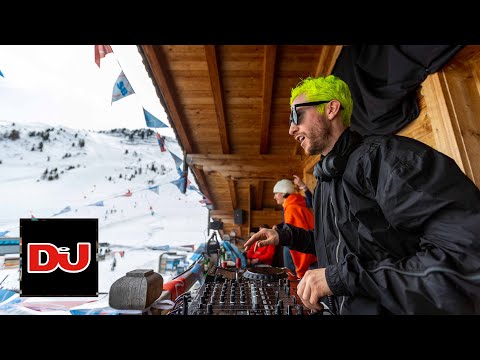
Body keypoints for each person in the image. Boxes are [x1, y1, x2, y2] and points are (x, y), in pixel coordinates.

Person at [245, 75, 480, 314]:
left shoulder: (387, 160)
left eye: (296, 115)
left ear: (332, 109)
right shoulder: (326, 180)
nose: (291, 128)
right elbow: (334, 244)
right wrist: (283, 236)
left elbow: (464, 260)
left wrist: (341, 279)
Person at [272, 179, 317, 278]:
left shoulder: (292, 208)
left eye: (276, 193)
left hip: (304, 262)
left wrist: (300, 271)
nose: (274, 197)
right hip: (311, 258)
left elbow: (299, 239)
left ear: (283, 193)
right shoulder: (294, 204)